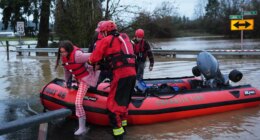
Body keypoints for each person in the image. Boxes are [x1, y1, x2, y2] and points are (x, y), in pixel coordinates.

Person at [88, 20, 136, 140]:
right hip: (132, 74)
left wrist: (89, 62)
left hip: (121, 75)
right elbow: (117, 58)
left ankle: (118, 135)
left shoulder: (106, 40)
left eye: (101, 32)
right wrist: (104, 65)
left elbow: (94, 58)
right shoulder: (124, 37)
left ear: (105, 31)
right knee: (123, 104)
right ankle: (124, 130)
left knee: (112, 107)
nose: (101, 34)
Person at [55, 40, 100, 136]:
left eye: (64, 52)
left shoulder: (78, 55)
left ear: (69, 50)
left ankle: (82, 127)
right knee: (75, 97)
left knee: (78, 102)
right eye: (61, 52)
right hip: (79, 78)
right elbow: (67, 71)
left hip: (87, 78)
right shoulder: (65, 58)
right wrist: (67, 82)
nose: (62, 54)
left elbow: (95, 55)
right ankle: (81, 124)